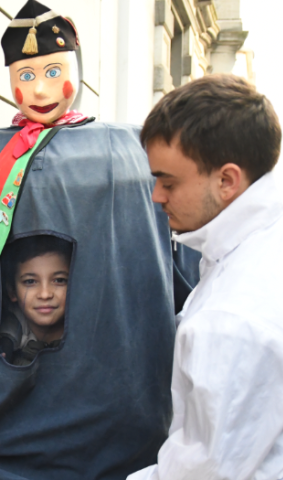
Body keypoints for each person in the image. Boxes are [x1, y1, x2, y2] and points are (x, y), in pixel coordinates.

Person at [0, 1, 200, 478]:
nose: (39, 89)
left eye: (52, 71)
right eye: (24, 76)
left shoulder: (130, 148)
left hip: (115, 400)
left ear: (77, 72)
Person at [128, 74, 283, 479]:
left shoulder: (232, 316)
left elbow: (202, 472)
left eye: (168, 181)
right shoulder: (256, 245)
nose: (156, 196)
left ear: (227, 180)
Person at [0, 235, 72, 366]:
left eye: (59, 280)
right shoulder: (4, 337)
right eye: (30, 282)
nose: (45, 294)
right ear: (12, 291)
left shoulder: (88, 334)